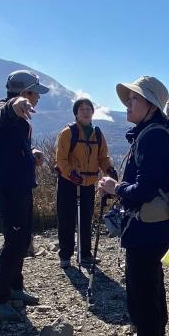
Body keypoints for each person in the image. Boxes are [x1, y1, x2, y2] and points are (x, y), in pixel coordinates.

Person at [98, 76, 169, 336]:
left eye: (134, 100)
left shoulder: (151, 137)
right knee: (151, 289)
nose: (128, 104)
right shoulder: (155, 133)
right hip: (156, 225)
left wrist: (114, 188)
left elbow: (144, 189)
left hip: (147, 226)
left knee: (142, 293)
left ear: (151, 105)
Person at [0, 70, 48, 320]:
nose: (37, 98)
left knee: (23, 239)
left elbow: (11, 146)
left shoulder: (21, 120)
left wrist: (30, 152)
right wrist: (15, 103)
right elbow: (2, 113)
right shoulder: (2, 110)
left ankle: (15, 288)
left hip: (21, 185)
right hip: (8, 187)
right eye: (34, 93)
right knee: (13, 242)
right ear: (24, 92)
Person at [55, 98, 116, 268]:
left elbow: (102, 157)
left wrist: (109, 169)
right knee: (66, 218)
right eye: (81, 109)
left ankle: (85, 254)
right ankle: (65, 255)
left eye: (88, 108)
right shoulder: (68, 133)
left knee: (86, 218)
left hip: (88, 182)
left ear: (92, 112)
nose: (85, 111)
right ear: (76, 113)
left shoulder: (97, 133)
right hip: (69, 182)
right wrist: (70, 173)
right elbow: (60, 158)